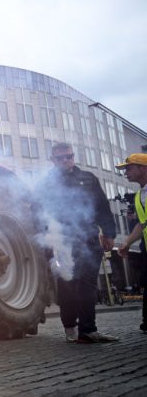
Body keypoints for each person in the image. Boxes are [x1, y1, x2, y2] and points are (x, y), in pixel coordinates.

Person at [37, 142, 119, 343]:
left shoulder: (88, 178)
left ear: (73, 156)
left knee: (87, 284)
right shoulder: (45, 184)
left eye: (69, 156)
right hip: (61, 242)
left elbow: (102, 206)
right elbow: (38, 214)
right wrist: (46, 243)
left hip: (88, 239)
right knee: (67, 285)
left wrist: (109, 233)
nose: (66, 160)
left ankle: (88, 330)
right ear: (52, 160)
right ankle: (70, 327)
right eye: (60, 158)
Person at [115, 153, 147, 333]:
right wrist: (126, 242)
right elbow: (143, 224)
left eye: (129, 168)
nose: (125, 172)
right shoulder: (139, 196)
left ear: (143, 168)